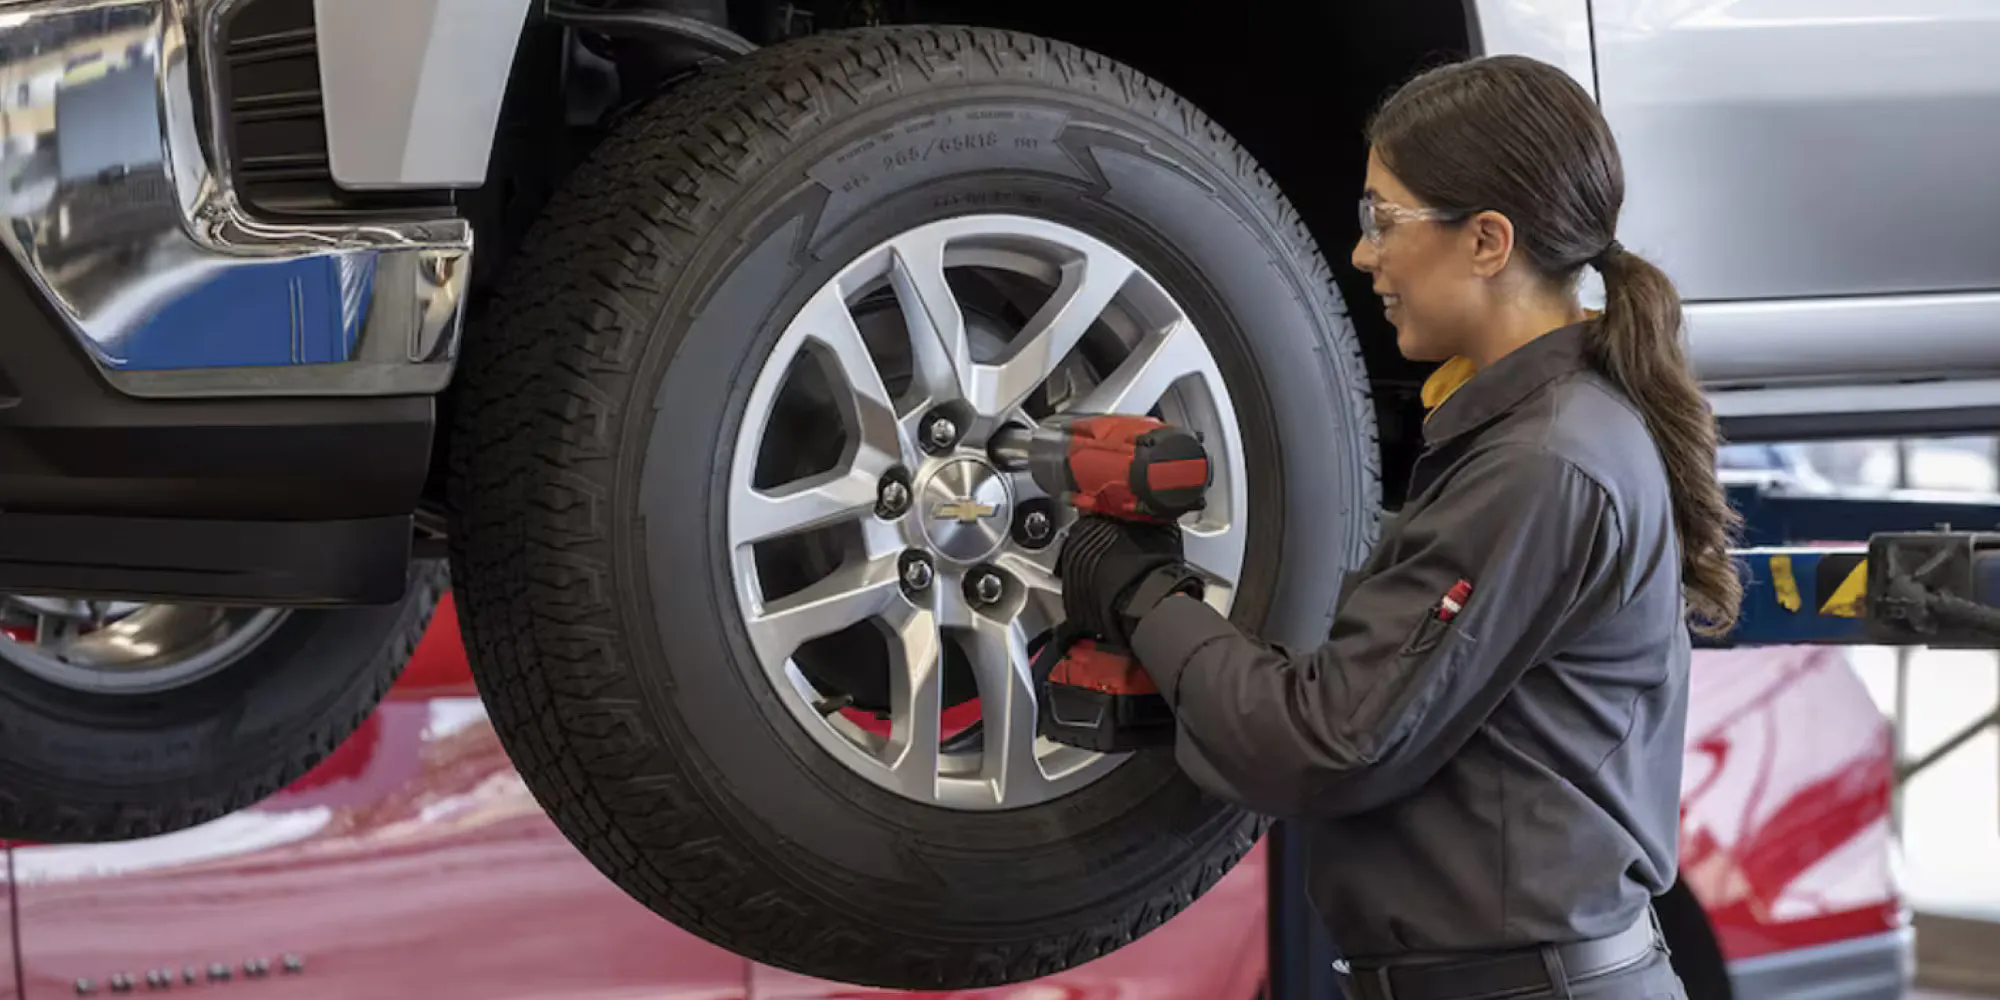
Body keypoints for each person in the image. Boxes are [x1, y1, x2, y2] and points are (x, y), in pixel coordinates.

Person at [1060, 54, 1744, 1000]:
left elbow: (1324, 745)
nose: (1364, 254)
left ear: (1488, 241)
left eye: (1383, 219)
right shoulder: (1527, 436)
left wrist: (1142, 592)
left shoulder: (1541, 464)